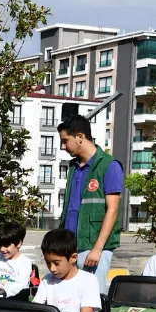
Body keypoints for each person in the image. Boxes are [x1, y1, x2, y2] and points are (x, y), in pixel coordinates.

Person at [57, 114, 124, 294]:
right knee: (69, 297)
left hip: (93, 248)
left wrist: (97, 249)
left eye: (65, 141)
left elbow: (112, 210)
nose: (63, 146)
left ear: (80, 137)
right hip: (70, 245)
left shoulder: (109, 166)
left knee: (92, 298)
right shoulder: (73, 166)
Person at [34, 228, 102, 312]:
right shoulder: (47, 280)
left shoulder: (88, 280)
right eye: (48, 262)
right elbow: (36, 310)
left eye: (56, 263)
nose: (52, 268)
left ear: (73, 258)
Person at [0, 221, 34, 298]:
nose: (2, 249)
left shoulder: (25, 262)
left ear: (18, 243)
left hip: (16, 300)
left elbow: (22, 285)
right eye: (0, 245)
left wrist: (4, 290)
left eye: (6, 245)